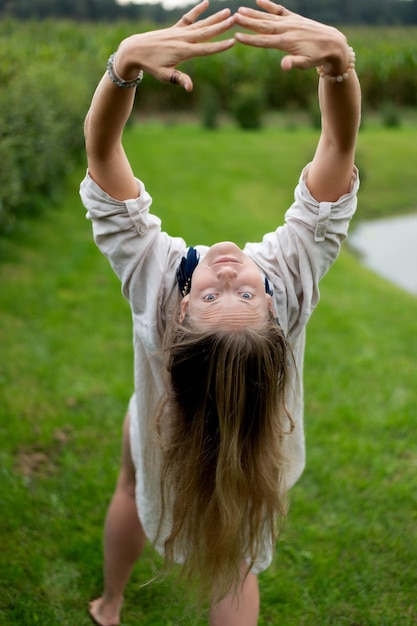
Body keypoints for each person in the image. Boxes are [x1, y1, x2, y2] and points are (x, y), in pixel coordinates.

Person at [80, 1, 361, 624]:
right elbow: (338, 148)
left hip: (162, 448)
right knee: (234, 569)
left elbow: (103, 159)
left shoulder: (157, 291)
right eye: (245, 297)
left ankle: (110, 604)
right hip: (262, 459)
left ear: (178, 316)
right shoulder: (285, 284)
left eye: (214, 296)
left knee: (131, 483)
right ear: (276, 322)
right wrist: (339, 68)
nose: (232, 278)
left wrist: (123, 66)